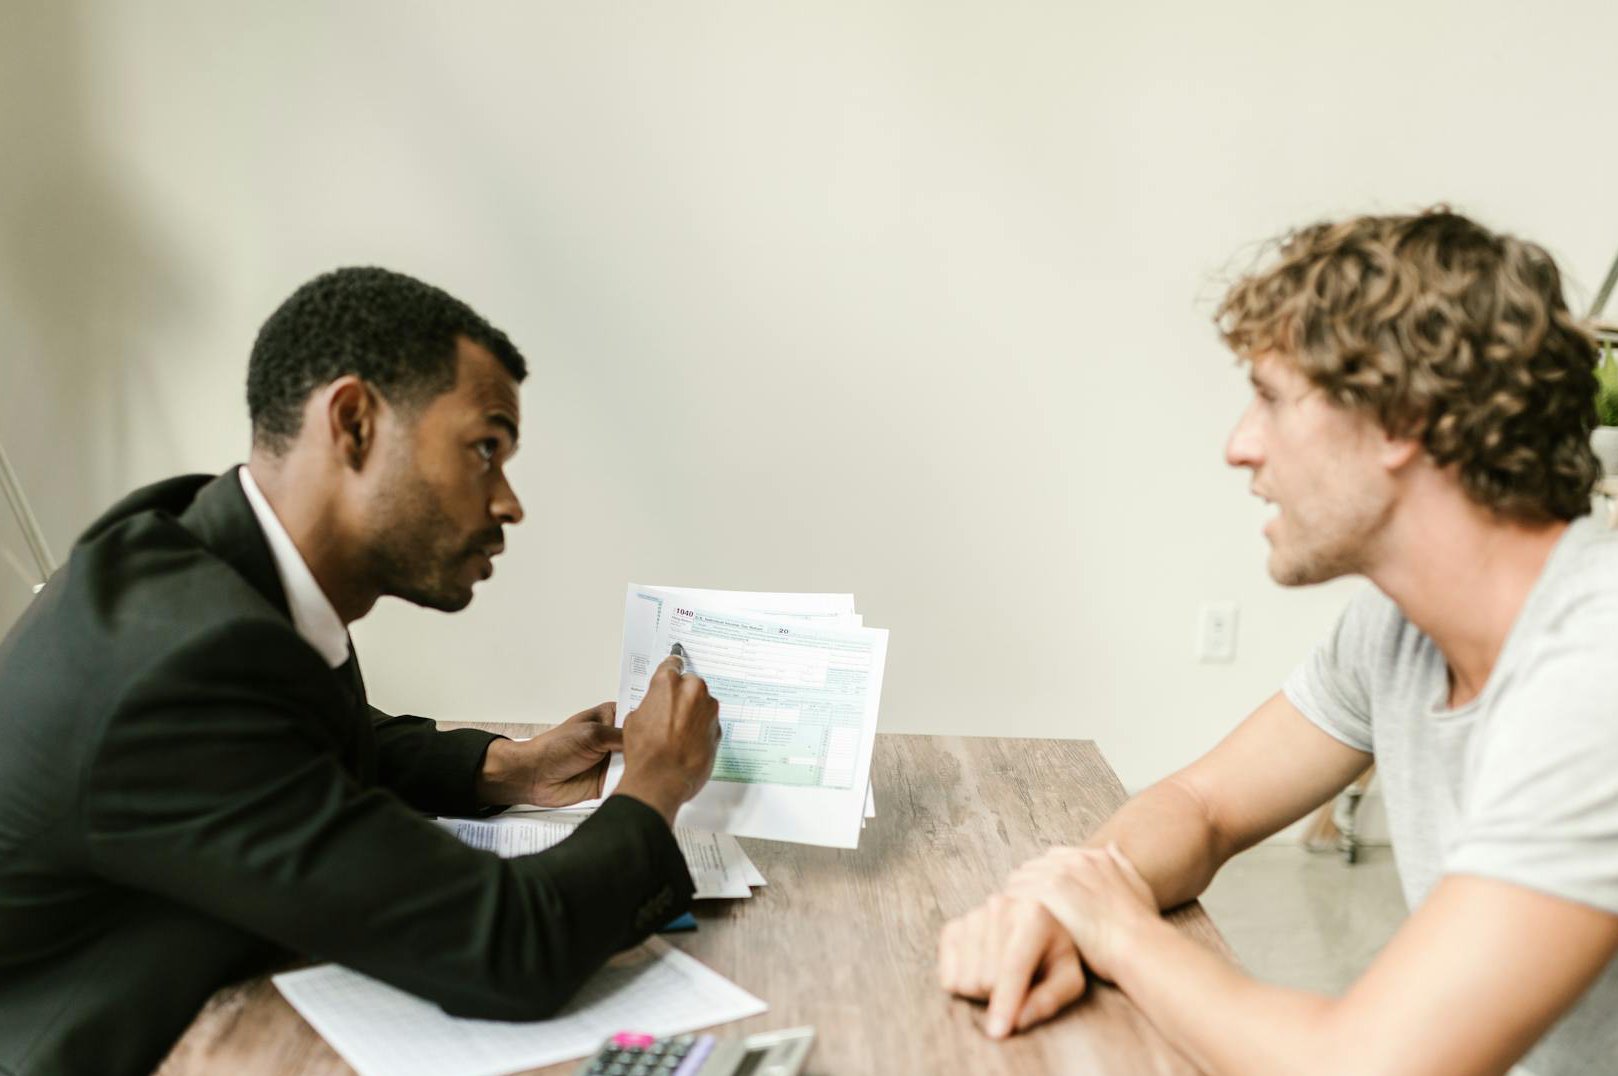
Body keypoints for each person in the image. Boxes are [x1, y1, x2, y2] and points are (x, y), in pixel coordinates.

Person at [938, 210, 1618, 1074]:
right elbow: (1205, 807)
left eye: (1270, 398)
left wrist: (1114, 929)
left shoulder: (1596, 670)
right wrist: (1063, 897)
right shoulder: (1396, 628)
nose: (1238, 446)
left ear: (1401, 419)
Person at [0, 268, 722, 1076]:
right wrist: (654, 784)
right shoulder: (178, 669)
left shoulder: (190, 545)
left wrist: (499, 767)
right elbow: (511, 946)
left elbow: (276, 738)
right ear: (353, 423)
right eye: (485, 448)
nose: (510, 502)